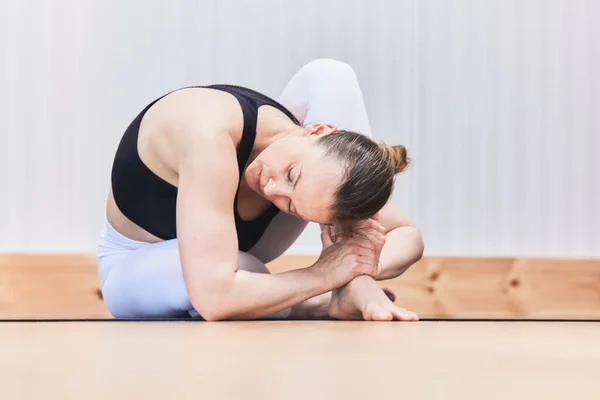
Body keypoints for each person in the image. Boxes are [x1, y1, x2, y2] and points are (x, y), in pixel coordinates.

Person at [97, 58, 424, 321]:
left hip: (240, 257)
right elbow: (213, 300)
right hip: (139, 264)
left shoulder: (303, 163)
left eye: (291, 206)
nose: (271, 188)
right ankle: (314, 302)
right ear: (317, 129)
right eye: (292, 174)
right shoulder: (206, 133)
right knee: (328, 74)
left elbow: (408, 236)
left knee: (332, 83)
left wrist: (358, 267)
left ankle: (351, 288)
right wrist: (325, 275)